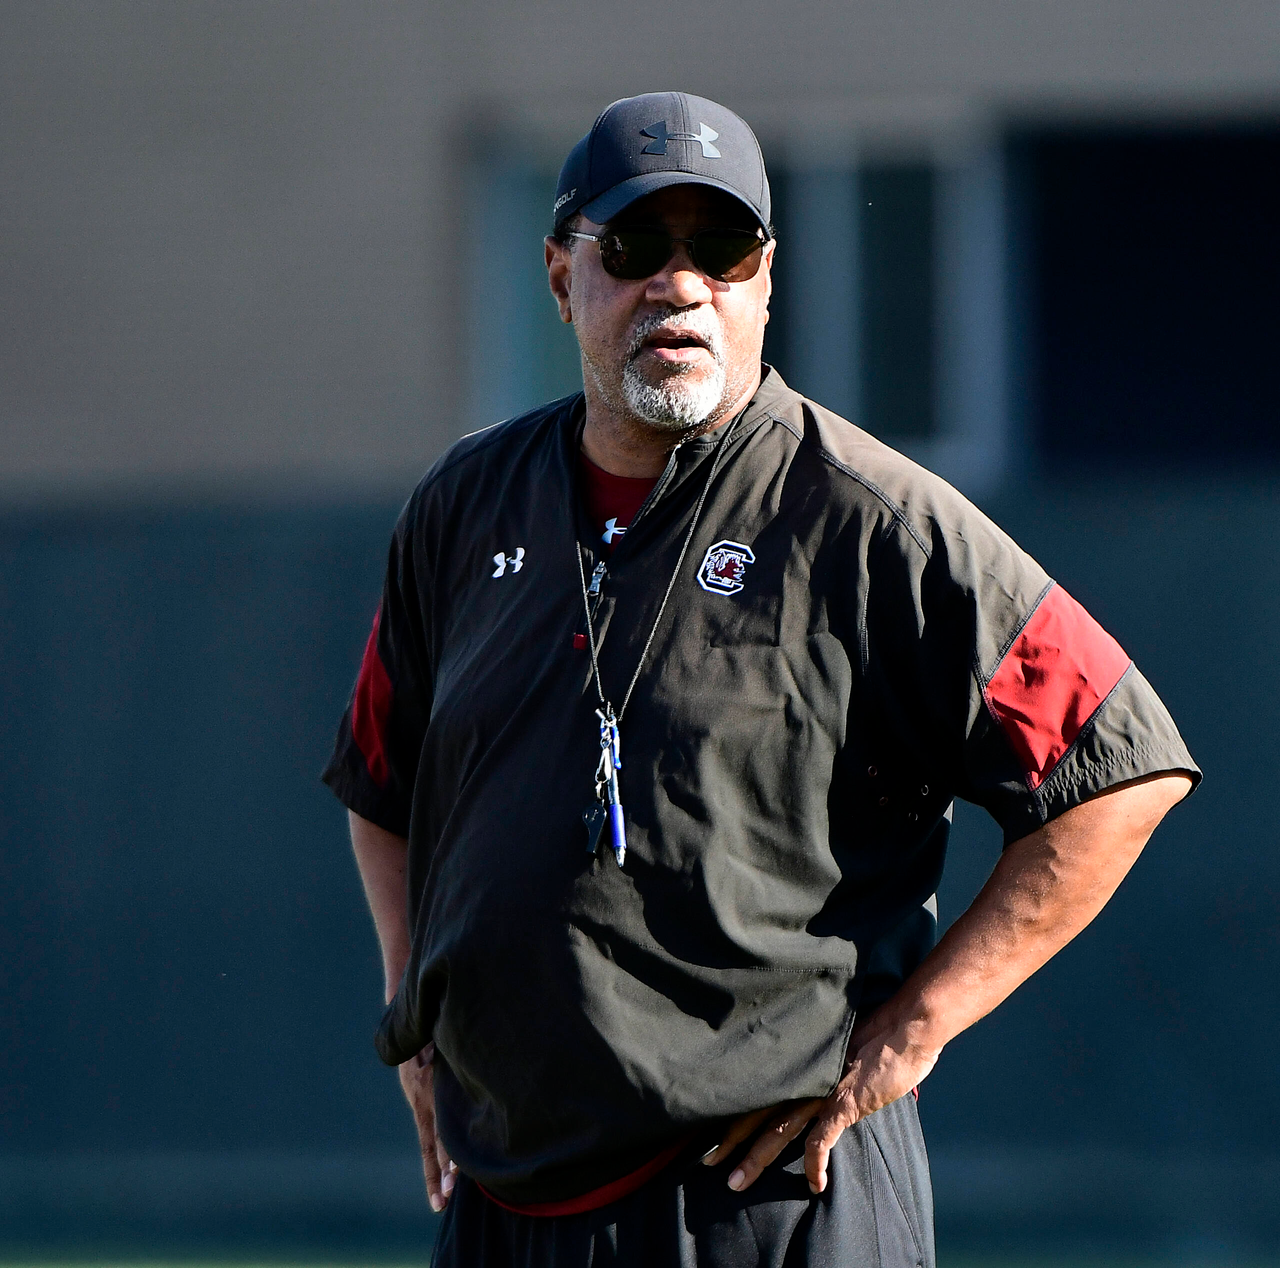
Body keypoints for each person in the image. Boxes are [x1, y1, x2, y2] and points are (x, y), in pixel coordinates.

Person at [323, 91, 1199, 1267]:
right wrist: (414, 1011)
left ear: (765, 279)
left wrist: (911, 1031)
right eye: (633, 247)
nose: (678, 284)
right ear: (557, 273)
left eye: (719, 249)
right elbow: (383, 786)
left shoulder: (870, 516)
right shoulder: (462, 504)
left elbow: (1115, 766)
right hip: (506, 1203)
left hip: (763, 1199)